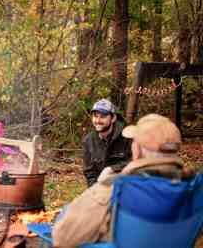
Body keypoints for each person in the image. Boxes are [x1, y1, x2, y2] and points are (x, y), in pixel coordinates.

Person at [53, 114, 194, 247]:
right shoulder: (194, 189)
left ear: (137, 150)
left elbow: (62, 237)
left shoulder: (113, 189)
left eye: (134, 141)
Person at [82, 99, 132, 186]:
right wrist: (94, 190)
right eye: (95, 116)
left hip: (126, 185)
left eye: (102, 117)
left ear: (113, 118)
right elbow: (89, 172)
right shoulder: (88, 141)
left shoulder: (127, 136)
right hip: (101, 187)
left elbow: (135, 162)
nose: (97, 121)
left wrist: (112, 169)